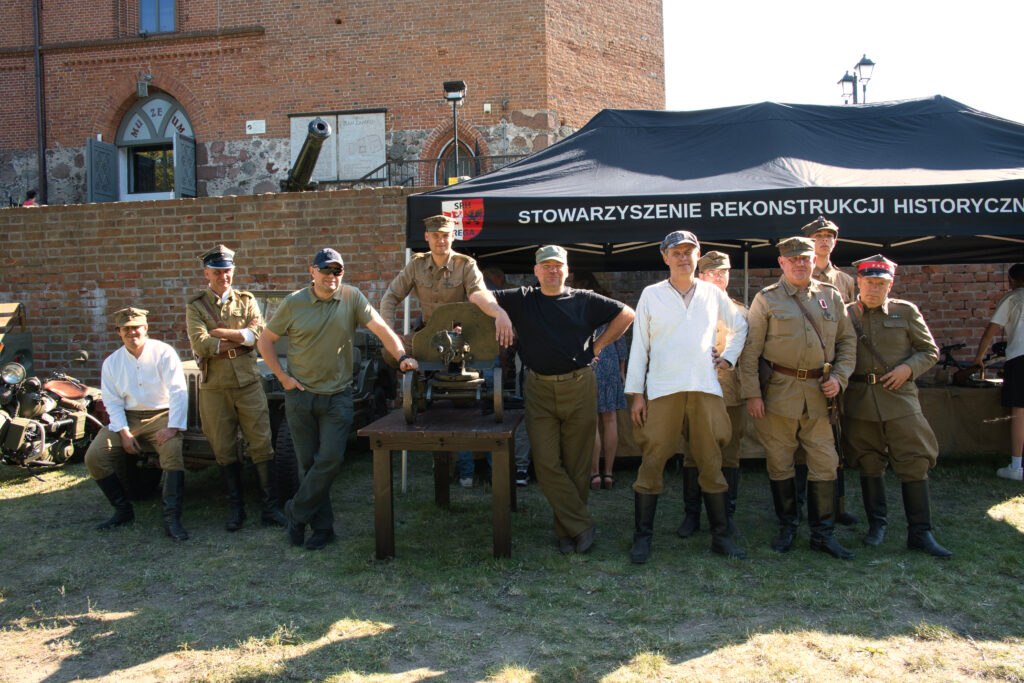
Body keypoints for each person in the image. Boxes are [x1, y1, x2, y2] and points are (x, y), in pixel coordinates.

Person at [258, 248, 418, 550]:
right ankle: (323, 529)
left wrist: (401, 356)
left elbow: (382, 329)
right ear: (312, 272)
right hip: (300, 395)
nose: (331, 276)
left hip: (338, 397)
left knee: (330, 460)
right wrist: (282, 377)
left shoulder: (351, 297)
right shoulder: (294, 303)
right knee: (307, 464)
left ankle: (295, 512)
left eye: (337, 271)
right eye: (325, 270)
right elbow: (265, 340)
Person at [492, 245, 634, 554]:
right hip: (539, 389)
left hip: (579, 385)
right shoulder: (522, 298)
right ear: (537, 271)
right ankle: (582, 524)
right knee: (545, 463)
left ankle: (565, 531)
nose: (553, 271)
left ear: (567, 270)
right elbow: (478, 295)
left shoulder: (584, 300)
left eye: (559, 266)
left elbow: (626, 313)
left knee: (578, 464)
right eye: (547, 266)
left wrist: (597, 347)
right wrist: (501, 313)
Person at [626, 232, 748, 562]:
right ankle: (643, 537)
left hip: (704, 387)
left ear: (697, 257)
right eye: (676, 252)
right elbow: (640, 346)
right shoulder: (651, 295)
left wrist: (728, 357)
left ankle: (721, 536)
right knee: (652, 459)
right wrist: (637, 394)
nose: (683, 258)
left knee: (710, 461)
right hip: (663, 388)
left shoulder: (712, 293)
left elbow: (741, 325)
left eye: (689, 252)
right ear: (665, 257)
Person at [739, 236, 857, 559]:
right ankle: (788, 526)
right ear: (781, 263)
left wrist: (840, 377)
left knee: (826, 463)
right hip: (779, 393)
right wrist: (752, 394)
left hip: (821, 395)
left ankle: (822, 533)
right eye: (793, 260)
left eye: (805, 258)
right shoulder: (766, 300)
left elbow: (847, 343)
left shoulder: (831, 297)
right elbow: (751, 351)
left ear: (813, 258)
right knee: (780, 462)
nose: (800, 264)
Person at [379, 215, 513, 488]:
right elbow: (391, 297)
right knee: (388, 352)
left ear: (453, 237)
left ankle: (480, 469)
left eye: (446, 235)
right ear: (427, 238)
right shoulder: (415, 266)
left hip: (464, 337)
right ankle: (417, 382)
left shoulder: (466, 265)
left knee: (474, 408)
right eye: (436, 235)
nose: (441, 240)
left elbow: (478, 294)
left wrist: (499, 313)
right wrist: (389, 333)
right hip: (429, 336)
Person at [843, 255, 952, 557]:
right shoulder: (846, 314)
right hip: (860, 400)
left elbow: (929, 351)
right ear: (859, 283)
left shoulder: (905, 312)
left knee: (915, 460)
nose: (874, 289)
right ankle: (876, 525)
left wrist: (908, 369)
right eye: (868, 282)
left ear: (890, 285)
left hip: (900, 399)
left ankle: (920, 532)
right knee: (868, 461)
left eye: (880, 283)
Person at [186, 244, 287, 531]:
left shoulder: (247, 300)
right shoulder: (196, 306)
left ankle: (270, 508)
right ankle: (236, 510)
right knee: (223, 447)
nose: (224, 276)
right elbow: (200, 344)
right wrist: (240, 339)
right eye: (218, 272)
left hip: (247, 382)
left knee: (262, 443)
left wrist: (221, 334)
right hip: (215, 386)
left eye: (228, 271)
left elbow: (259, 334)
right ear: (207, 273)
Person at [84, 307, 189, 540]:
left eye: (137, 328)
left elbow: (178, 391)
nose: (133, 333)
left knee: (171, 452)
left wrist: (172, 427)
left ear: (146, 328)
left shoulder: (164, 353)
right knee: (94, 457)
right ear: (118, 332)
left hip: (161, 415)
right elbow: (112, 402)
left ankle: (172, 519)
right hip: (128, 418)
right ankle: (123, 511)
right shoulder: (112, 363)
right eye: (126, 329)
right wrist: (123, 433)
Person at [675, 250, 748, 539]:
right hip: (696, 393)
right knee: (693, 454)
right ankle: (692, 515)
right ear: (700, 276)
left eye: (724, 272)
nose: (719, 277)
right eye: (712, 273)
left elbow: (751, 356)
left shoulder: (741, 312)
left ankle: (727, 515)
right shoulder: (686, 308)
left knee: (730, 455)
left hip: (731, 394)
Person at [799, 215, 858, 525]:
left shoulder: (845, 281)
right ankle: (800, 504)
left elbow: (850, 329)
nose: (824, 241)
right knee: (802, 439)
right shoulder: (797, 274)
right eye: (818, 236)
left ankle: (837, 505)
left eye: (829, 236)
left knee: (835, 438)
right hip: (805, 370)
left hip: (835, 372)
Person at [572, 271, 627, 491]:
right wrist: (621, 370)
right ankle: (609, 473)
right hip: (610, 361)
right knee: (610, 420)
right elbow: (620, 341)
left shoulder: (575, 305)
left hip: (588, 362)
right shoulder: (610, 305)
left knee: (591, 422)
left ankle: (594, 474)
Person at [971, 263, 1024, 481]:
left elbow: (990, 332)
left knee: (1019, 413)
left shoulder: (1011, 299)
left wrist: (978, 358)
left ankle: (1016, 466)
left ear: (1011, 280)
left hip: (1019, 358)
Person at [484, 265, 532, 486]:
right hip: (513, 367)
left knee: (514, 416)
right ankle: (516, 468)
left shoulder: (503, 303)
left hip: (518, 367)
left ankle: (509, 468)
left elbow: (509, 343)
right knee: (514, 416)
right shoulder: (502, 303)